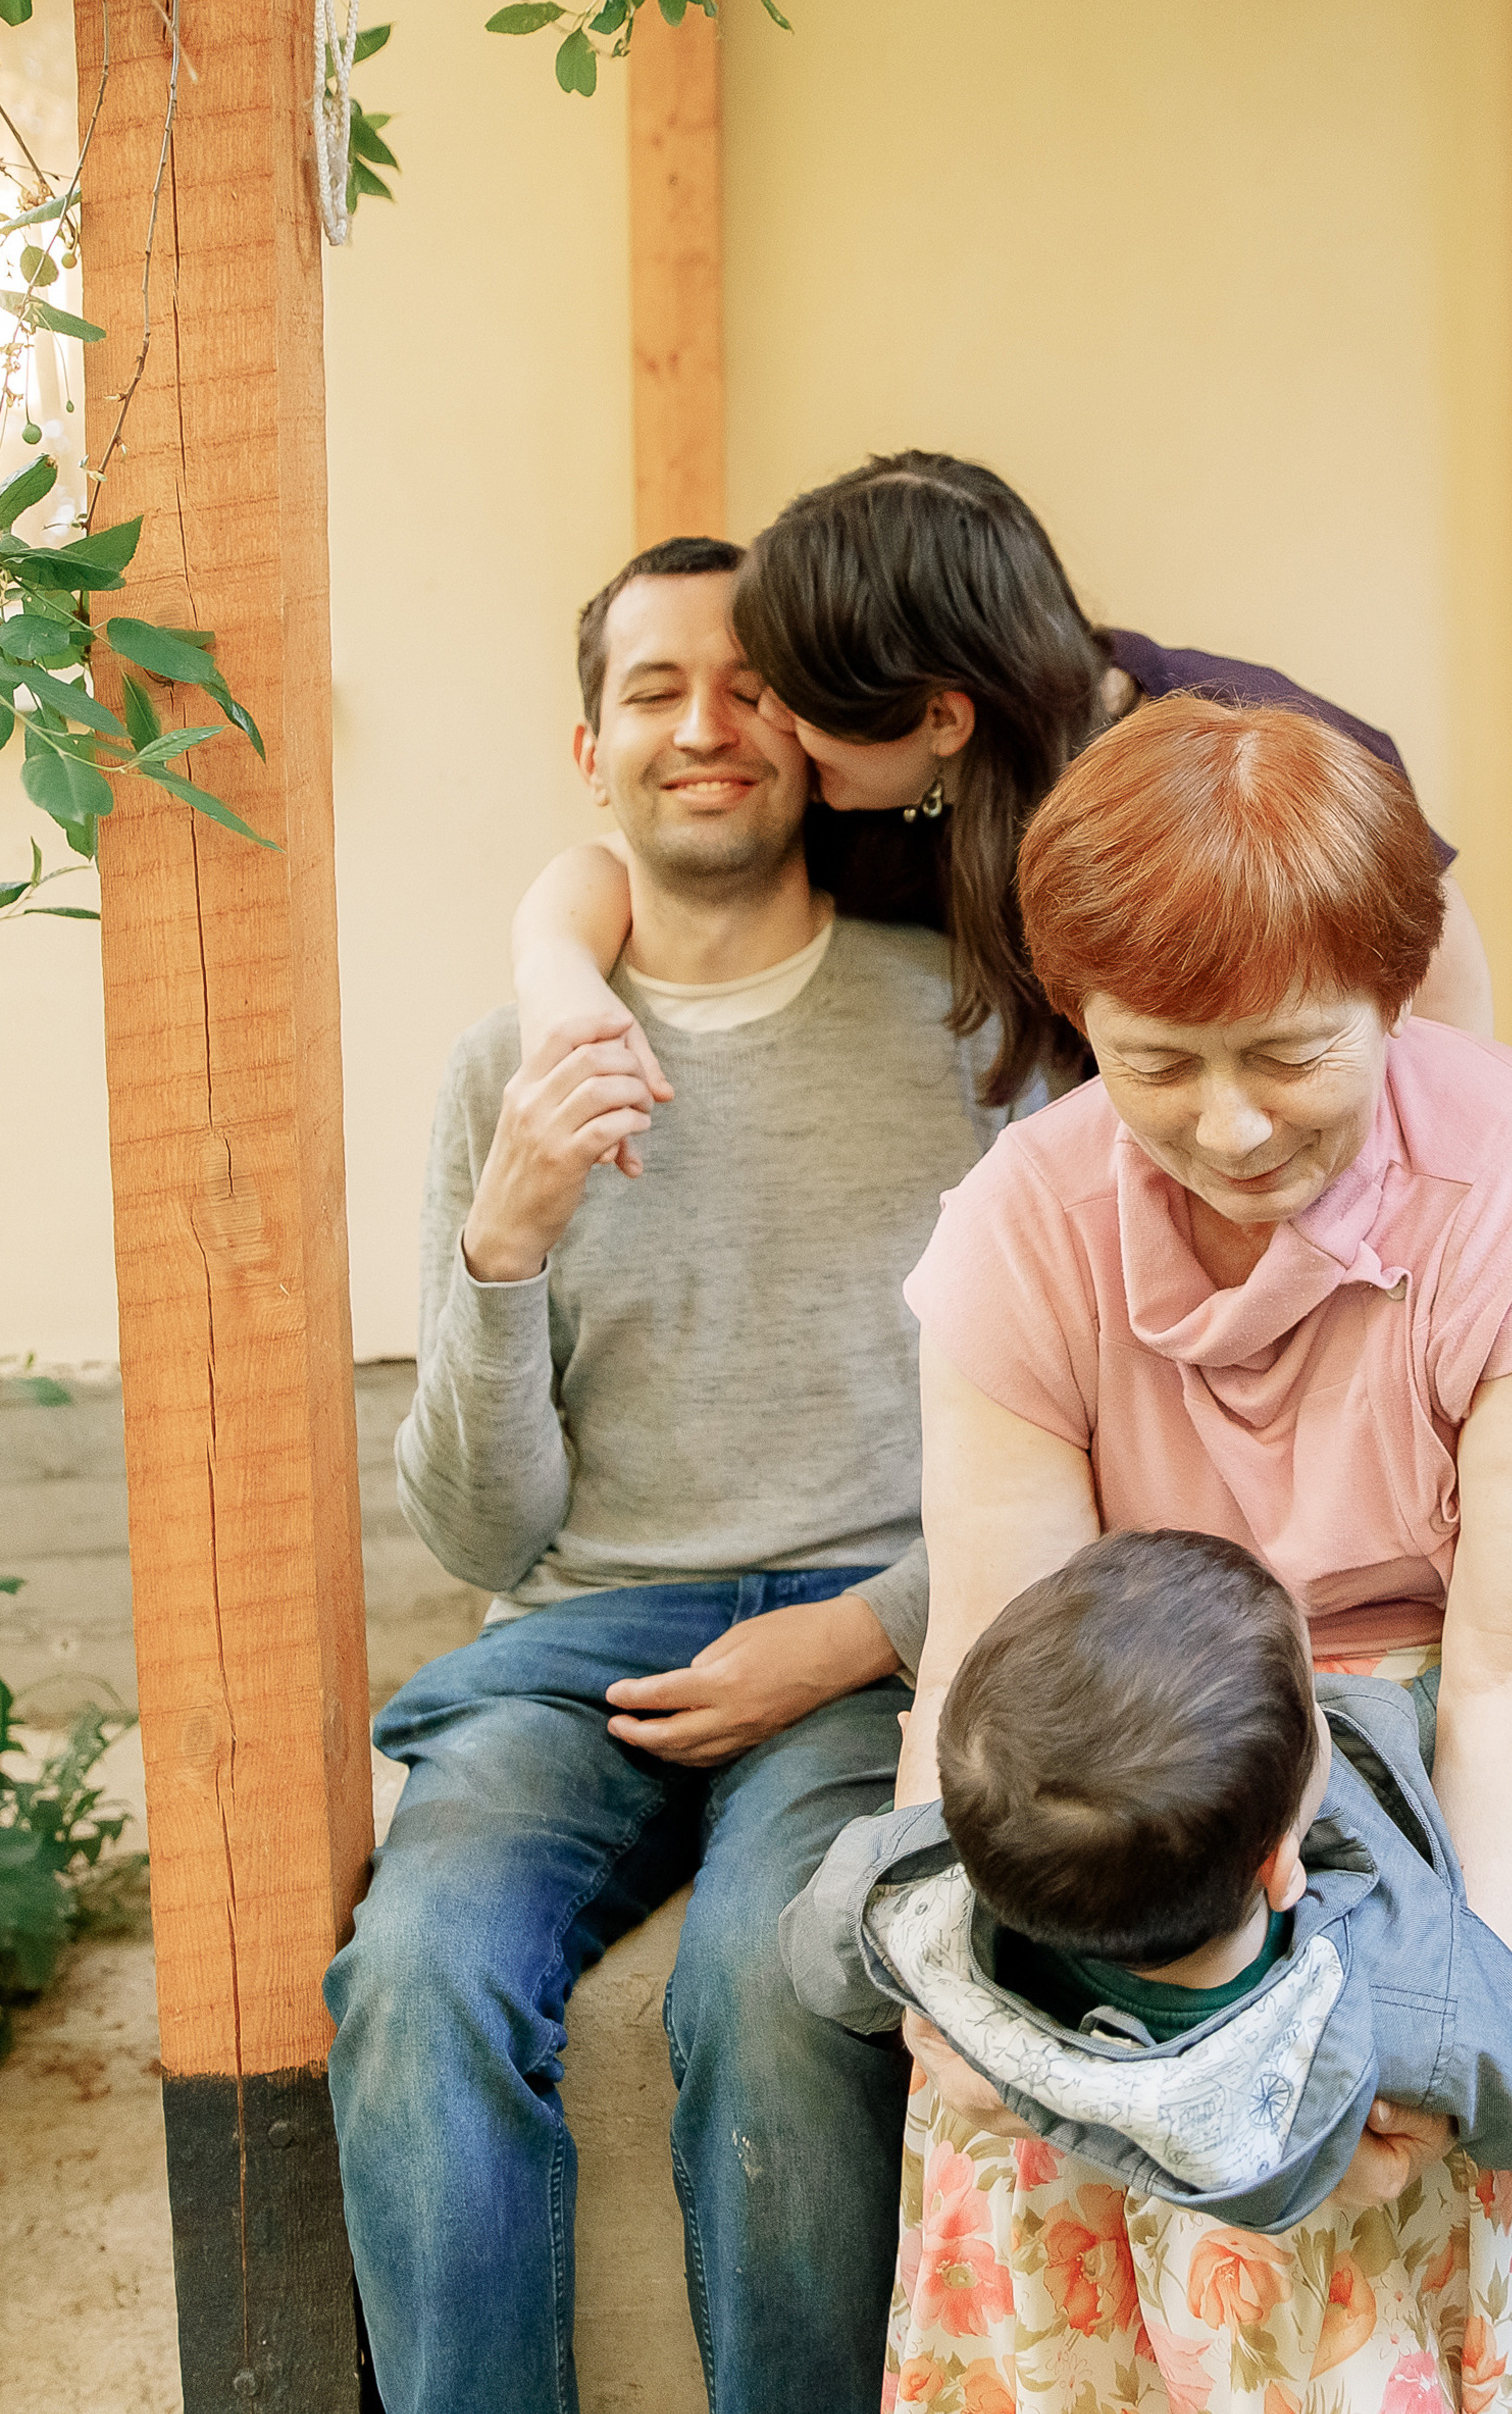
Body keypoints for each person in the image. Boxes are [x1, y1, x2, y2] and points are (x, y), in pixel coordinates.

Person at [882, 693, 1512, 2414]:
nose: (1232, 1127)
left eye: (1287, 1056)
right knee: (1032, 2077)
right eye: (1156, 1064)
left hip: (1491, 1712)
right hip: (1152, 1738)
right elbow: (998, 1643)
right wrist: (968, 1972)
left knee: (1370, 2114)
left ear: (1394, 994)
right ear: (1079, 1017)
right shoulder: (1024, 1228)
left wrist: (1437, 2026)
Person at [325, 537, 1022, 2412]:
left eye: (752, 690)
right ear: (591, 751)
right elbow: (481, 1531)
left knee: (783, 1989)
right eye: (656, 691)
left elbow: (1082, 1423)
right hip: (580, 1648)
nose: (705, 727)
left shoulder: (969, 1027)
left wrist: (880, 1629)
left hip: (866, 1638)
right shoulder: (507, 1065)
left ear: (819, 741)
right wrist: (505, 1243)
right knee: (417, 1973)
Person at [509, 452, 1497, 1131]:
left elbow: (1442, 1012)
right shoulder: (878, 796)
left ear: (943, 719)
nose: (769, 726)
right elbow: (620, 861)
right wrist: (557, 979)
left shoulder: (1251, 755)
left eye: (790, 698)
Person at [780, 1530, 1512, 2231]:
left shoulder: (921, 1883)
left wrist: (914, 1854)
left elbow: (819, 1952)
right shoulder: (1398, 1990)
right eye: (1313, 1696)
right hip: (1385, 1787)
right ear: (1283, 1868)